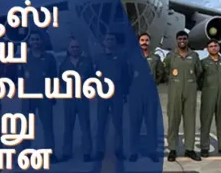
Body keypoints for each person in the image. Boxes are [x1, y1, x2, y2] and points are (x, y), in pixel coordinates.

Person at [20, 30, 58, 163]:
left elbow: (54, 77)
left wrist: (53, 94)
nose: (35, 42)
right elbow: (19, 76)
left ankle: (50, 153)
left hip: (44, 97)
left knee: (48, 126)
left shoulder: (49, 58)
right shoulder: (23, 58)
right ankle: (25, 152)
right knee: (26, 127)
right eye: (33, 39)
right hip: (28, 97)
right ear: (29, 42)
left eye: (37, 39)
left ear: (42, 41)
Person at [164, 30, 202, 162]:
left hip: (190, 90)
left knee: (190, 119)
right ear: (176, 40)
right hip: (175, 90)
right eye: (180, 38)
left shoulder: (194, 55)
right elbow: (165, 71)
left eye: (184, 38)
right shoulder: (171, 56)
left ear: (187, 40)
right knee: (173, 119)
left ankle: (189, 149)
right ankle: (172, 149)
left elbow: (198, 71)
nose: (182, 41)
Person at [94, 32, 131, 161]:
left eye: (112, 39)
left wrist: (125, 93)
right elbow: (93, 76)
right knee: (101, 123)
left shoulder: (121, 58)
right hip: (102, 93)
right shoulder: (98, 58)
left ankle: (118, 150)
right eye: (107, 39)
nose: (109, 41)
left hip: (117, 93)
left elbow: (126, 76)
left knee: (118, 123)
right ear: (103, 42)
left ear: (115, 42)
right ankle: (99, 150)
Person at [58, 37, 95, 162]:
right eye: (72, 47)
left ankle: (87, 152)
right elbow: (60, 80)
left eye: (77, 47)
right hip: (69, 99)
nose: (75, 49)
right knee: (68, 126)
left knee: (85, 126)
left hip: (83, 99)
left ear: (80, 49)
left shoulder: (87, 62)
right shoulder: (64, 64)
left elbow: (92, 78)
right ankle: (66, 152)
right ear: (69, 49)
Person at [128, 33, 163, 162]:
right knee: (135, 124)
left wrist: (153, 83)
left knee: (151, 123)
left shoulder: (155, 58)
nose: (144, 42)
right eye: (142, 40)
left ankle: (152, 151)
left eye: (146, 40)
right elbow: (127, 74)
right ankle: (134, 151)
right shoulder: (132, 58)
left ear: (149, 42)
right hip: (135, 95)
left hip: (150, 96)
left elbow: (160, 74)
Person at [198, 39, 221, 157]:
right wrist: (205, 87)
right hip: (208, 94)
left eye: (215, 45)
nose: (213, 48)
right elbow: (199, 78)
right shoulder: (203, 62)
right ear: (207, 49)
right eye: (211, 46)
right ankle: (204, 147)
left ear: (219, 47)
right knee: (206, 121)